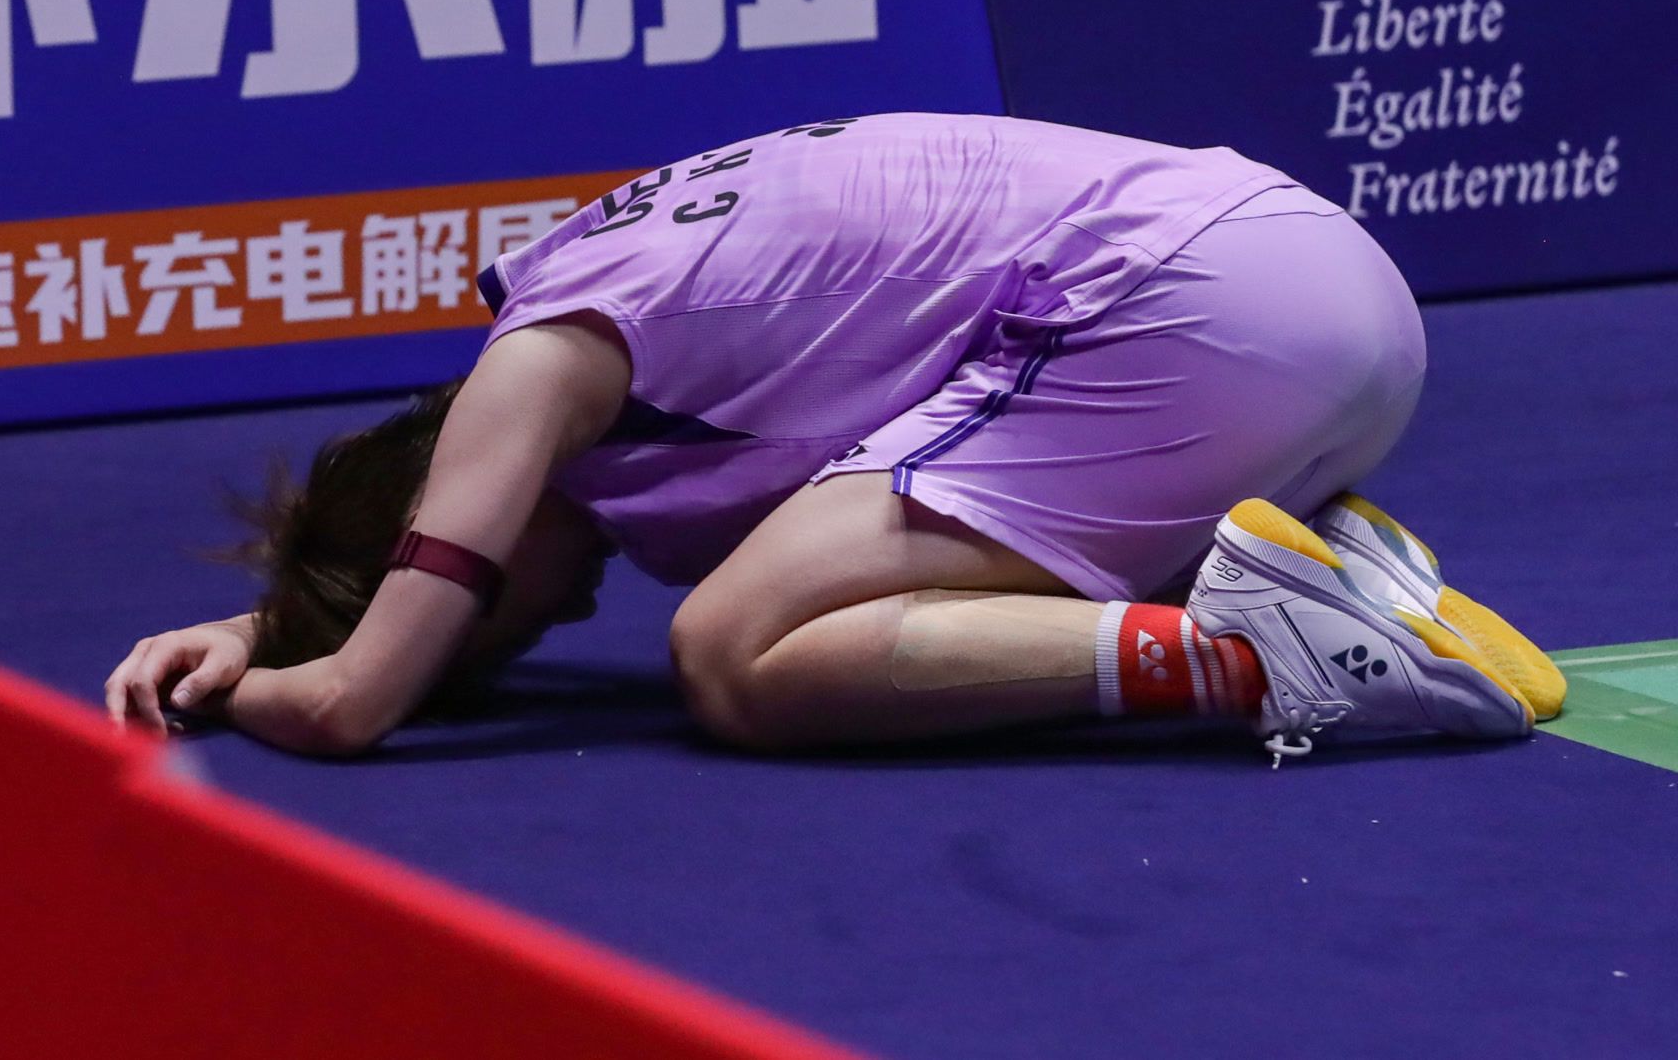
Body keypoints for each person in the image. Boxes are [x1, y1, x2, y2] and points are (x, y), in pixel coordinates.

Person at [104, 113, 1563, 764]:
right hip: (1321, 295)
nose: (564, 620)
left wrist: (253, 689)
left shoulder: (530, 364)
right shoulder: (611, 357)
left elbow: (351, 705)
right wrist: (256, 618)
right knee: (849, 587)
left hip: (1182, 309)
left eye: (499, 626)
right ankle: (1301, 572)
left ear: (441, 523)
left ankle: (1258, 650)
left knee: (733, 656)